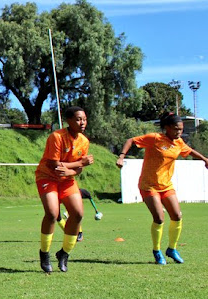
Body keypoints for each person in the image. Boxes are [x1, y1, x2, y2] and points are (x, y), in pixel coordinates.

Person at [116, 112, 208, 265]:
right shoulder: (155, 138)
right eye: (176, 129)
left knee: (177, 215)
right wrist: (121, 156)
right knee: (159, 217)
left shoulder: (179, 142)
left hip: (166, 185)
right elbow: (130, 140)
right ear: (167, 128)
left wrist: (205, 159)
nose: (179, 132)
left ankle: (172, 249)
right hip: (148, 185)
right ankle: (157, 251)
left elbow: (189, 150)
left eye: (181, 129)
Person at [36, 106, 94, 273]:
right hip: (47, 177)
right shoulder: (57, 137)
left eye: (84, 119)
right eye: (78, 119)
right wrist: (79, 164)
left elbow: (78, 169)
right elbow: (54, 165)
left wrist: (72, 170)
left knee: (78, 214)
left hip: (67, 180)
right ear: (68, 121)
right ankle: (44, 253)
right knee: (53, 214)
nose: (82, 122)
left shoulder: (84, 141)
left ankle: (64, 253)